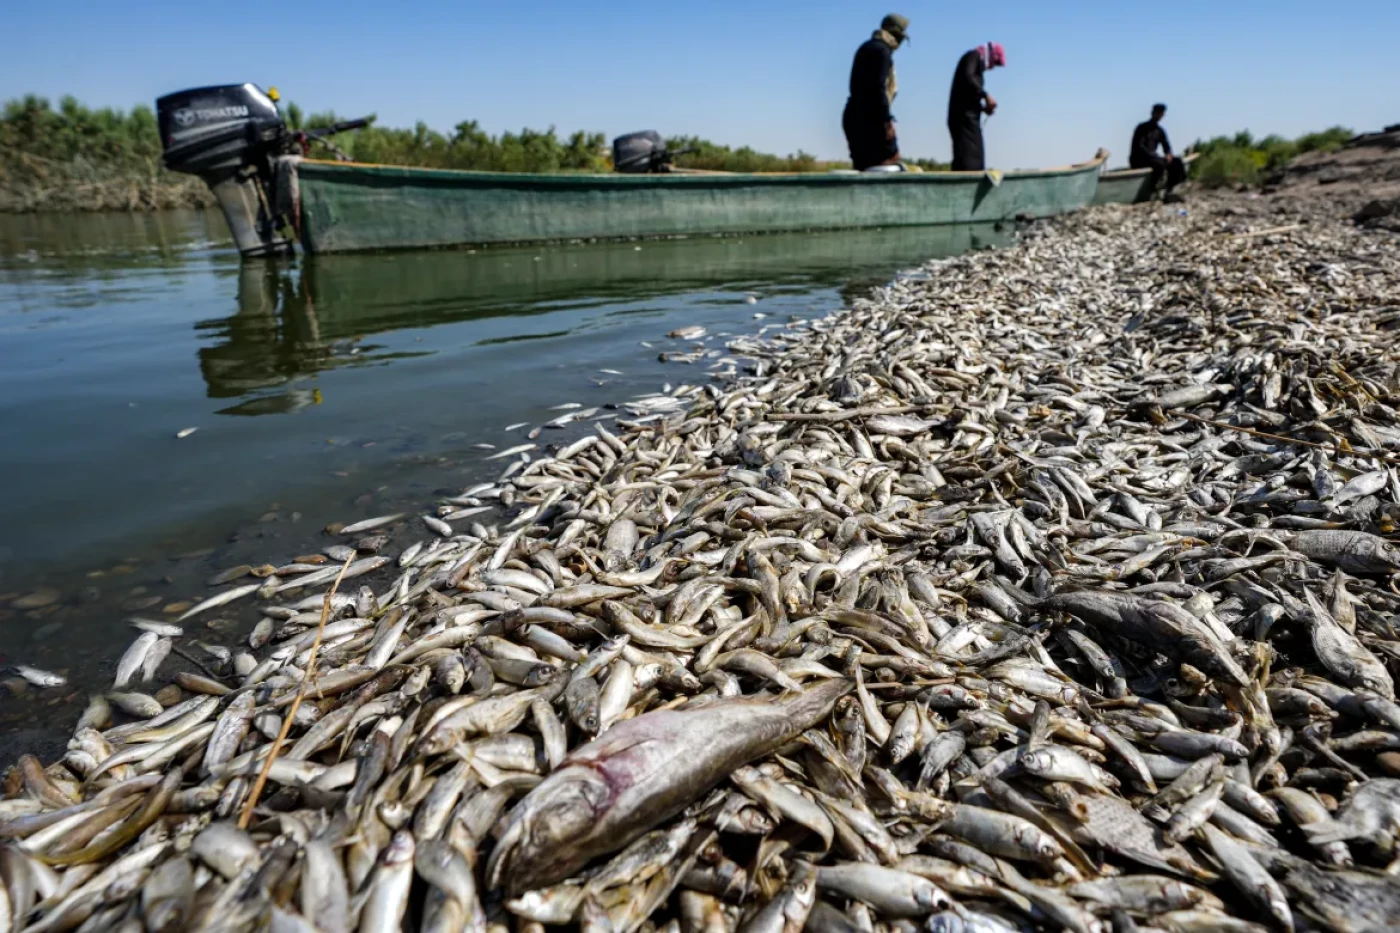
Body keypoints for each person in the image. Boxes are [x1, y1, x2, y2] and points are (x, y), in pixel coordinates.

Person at [843, 14, 909, 171]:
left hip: (854, 116)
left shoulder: (866, 47)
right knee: (891, 159)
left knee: (864, 168)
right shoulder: (882, 51)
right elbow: (877, 88)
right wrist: (886, 122)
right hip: (871, 120)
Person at [947, 43, 1005, 171]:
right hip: (963, 120)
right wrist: (986, 95)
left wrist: (983, 108)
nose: (992, 67)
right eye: (995, 63)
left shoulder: (976, 64)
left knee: (973, 158)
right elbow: (968, 78)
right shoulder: (973, 56)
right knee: (969, 161)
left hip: (968, 119)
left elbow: (968, 93)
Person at [1130, 103, 1186, 199]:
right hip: (1139, 159)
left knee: (1177, 162)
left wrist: (1168, 154)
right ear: (1153, 113)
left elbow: (1166, 146)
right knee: (1159, 164)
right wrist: (1154, 156)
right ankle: (1152, 189)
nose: (1159, 115)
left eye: (1161, 114)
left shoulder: (1160, 130)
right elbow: (1139, 147)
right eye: (1158, 113)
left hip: (1153, 159)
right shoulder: (1141, 128)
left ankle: (1170, 189)